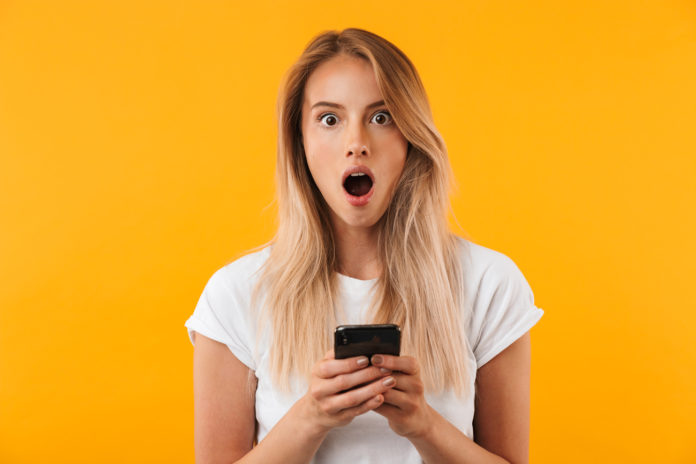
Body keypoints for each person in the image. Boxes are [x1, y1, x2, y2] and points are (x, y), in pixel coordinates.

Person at [184, 28, 544, 464]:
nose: (357, 144)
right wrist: (309, 419)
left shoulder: (489, 284)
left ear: (410, 137)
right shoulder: (235, 295)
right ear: (301, 144)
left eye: (381, 117)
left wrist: (423, 425)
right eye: (329, 119)